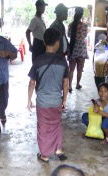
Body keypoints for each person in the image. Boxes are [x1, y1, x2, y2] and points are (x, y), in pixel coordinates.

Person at [27, 28, 70, 162]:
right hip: (56, 101)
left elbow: (32, 82)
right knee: (56, 124)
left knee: (43, 127)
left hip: (43, 102)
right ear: (58, 42)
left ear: (44, 42)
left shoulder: (38, 61)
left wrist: (29, 100)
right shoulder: (63, 61)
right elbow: (66, 84)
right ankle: (58, 149)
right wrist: (64, 100)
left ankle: (45, 155)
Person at [67, 7, 89, 92]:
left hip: (72, 48)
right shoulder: (85, 26)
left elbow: (69, 35)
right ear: (81, 15)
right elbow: (85, 36)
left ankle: (69, 86)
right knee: (80, 69)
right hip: (81, 49)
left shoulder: (70, 25)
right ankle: (77, 84)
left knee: (71, 69)